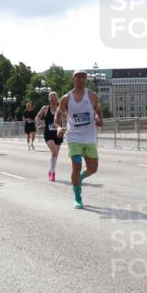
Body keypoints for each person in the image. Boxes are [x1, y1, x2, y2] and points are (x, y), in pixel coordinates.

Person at [56, 69, 104, 209]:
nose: (82, 79)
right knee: (76, 165)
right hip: (74, 136)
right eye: (79, 77)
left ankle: (79, 178)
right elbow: (57, 117)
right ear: (73, 79)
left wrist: (99, 119)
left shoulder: (93, 96)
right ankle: (77, 197)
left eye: (84, 77)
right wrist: (59, 127)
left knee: (93, 168)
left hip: (89, 136)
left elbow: (98, 110)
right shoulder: (66, 98)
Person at [35, 91, 64, 181]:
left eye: (54, 99)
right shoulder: (45, 108)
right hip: (48, 133)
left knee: (55, 154)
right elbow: (38, 117)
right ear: (49, 100)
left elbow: (69, 117)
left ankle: (51, 170)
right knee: (54, 151)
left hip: (58, 133)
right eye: (51, 100)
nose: (53, 101)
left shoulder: (61, 109)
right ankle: (53, 173)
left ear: (57, 99)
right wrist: (39, 123)